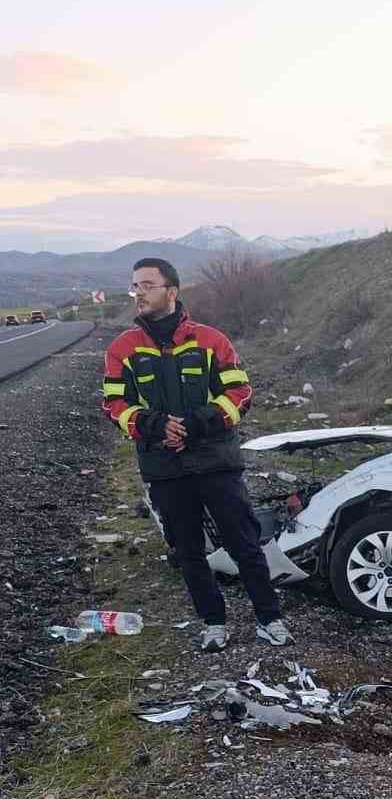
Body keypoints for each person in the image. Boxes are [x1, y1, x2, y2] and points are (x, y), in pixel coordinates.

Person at [101, 257, 291, 653]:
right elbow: (113, 404)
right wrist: (153, 425)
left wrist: (199, 423)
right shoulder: (122, 349)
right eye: (136, 286)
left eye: (148, 285)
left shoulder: (211, 340)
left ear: (171, 291)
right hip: (164, 468)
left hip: (215, 462)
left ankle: (270, 618)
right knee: (188, 552)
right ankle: (214, 623)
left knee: (245, 543)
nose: (139, 293)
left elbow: (240, 393)